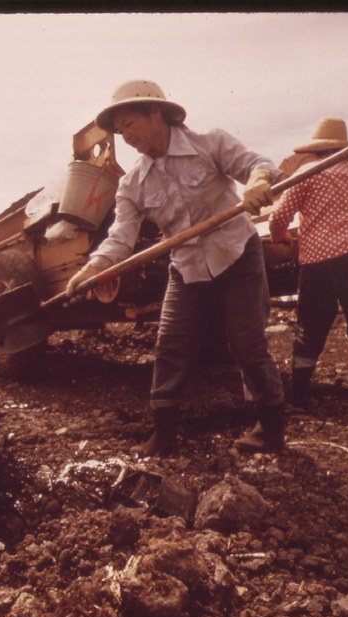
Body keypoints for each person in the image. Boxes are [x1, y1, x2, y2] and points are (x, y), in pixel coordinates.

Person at [66, 79, 286, 455]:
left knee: (247, 345)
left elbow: (257, 165)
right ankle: (163, 434)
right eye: (120, 131)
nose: (126, 136)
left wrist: (259, 182)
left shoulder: (210, 144)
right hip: (186, 269)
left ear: (156, 112)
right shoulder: (132, 184)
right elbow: (121, 237)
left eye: (130, 125)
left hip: (237, 255)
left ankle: (271, 429)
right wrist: (92, 269)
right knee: (170, 345)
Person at [267, 117, 348, 423]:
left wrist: (283, 238)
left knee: (311, 327)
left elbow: (278, 217)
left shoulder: (307, 172)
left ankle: (298, 399)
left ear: (316, 149)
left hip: (321, 262)